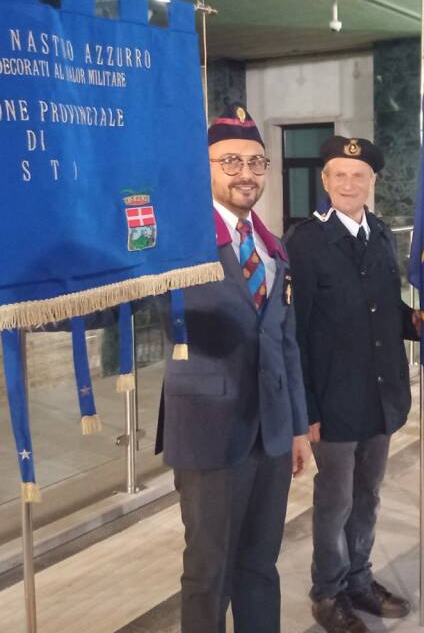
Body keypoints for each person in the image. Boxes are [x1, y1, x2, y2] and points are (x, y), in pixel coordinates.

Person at [160, 105, 313, 633]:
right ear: (203, 168)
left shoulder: (272, 248)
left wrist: (297, 426)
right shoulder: (180, 242)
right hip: (209, 430)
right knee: (209, 572)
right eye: (229, 161)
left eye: (256, 161)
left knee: (259, 564)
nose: (245, 173)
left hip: (269, 432)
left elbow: (286, 343)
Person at [286, 136, 419, 633]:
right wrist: (307, 410)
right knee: (335, 501)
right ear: (325, 181)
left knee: (369, 494)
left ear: (372, 182)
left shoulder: (381, 234)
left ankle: (360, 579)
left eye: (358, 175)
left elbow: (383, 307)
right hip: (334, 401)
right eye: (338, 175)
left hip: (381, 395)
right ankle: (328, 592)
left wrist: (418, 322)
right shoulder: (305, 243)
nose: (348, 183)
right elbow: (294, 333)